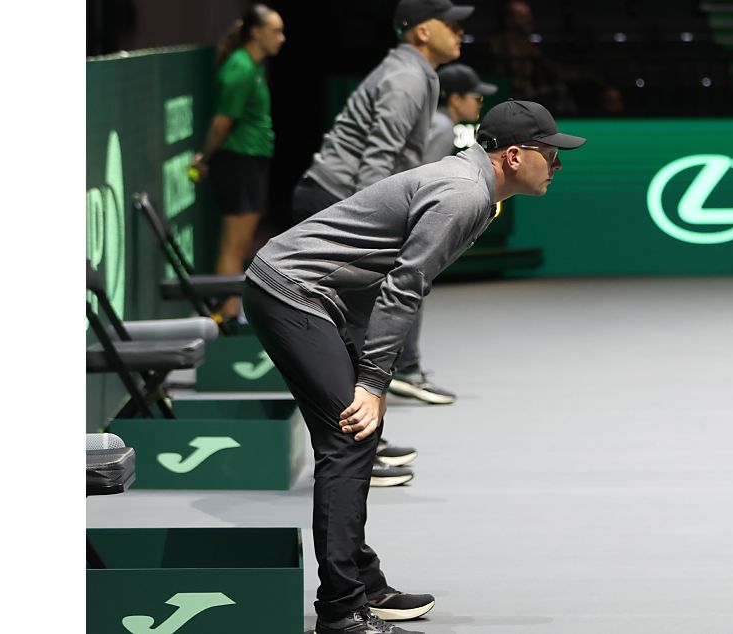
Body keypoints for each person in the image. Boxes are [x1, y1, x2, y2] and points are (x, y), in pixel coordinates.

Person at [243, 100, 586, 634]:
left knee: (350, 437)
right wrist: (374, 382)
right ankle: (341, 610)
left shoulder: (474, 187)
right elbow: (403, 289)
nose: (558, 163)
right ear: (515, 157)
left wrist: (360, 360)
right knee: (351, 438)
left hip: (307, 293)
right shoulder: (465, 194)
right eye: (551, 153)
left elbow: (376, 267)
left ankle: (362, 582)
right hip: (292, 292)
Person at [291, 0, 471, 485]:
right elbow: (376, 165)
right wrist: (370, 235)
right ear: (419, 32)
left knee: (360, 330)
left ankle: (361, 444)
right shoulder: (407, 78)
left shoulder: (417, 71)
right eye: (449, 23)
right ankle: (354, 453)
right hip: (338, 201)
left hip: (333, 198)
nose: (460, 30)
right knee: (356, 332)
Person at [189, 4, 285, 323]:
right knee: (233, 244)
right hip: (237, 160)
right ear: (256, 32)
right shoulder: (240, 68)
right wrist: (206, 158)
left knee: (243, 242)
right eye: (275, 31)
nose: (281, 38)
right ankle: (226, 314)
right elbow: (221, 123)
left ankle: (230, 308)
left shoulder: (253, 66)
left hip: (252, 158)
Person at [424, 64, 498, 164]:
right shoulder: (444, 127)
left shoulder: (436, 120)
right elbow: (423, 173)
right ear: (456, 99)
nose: (480, 105)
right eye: (477, 99)